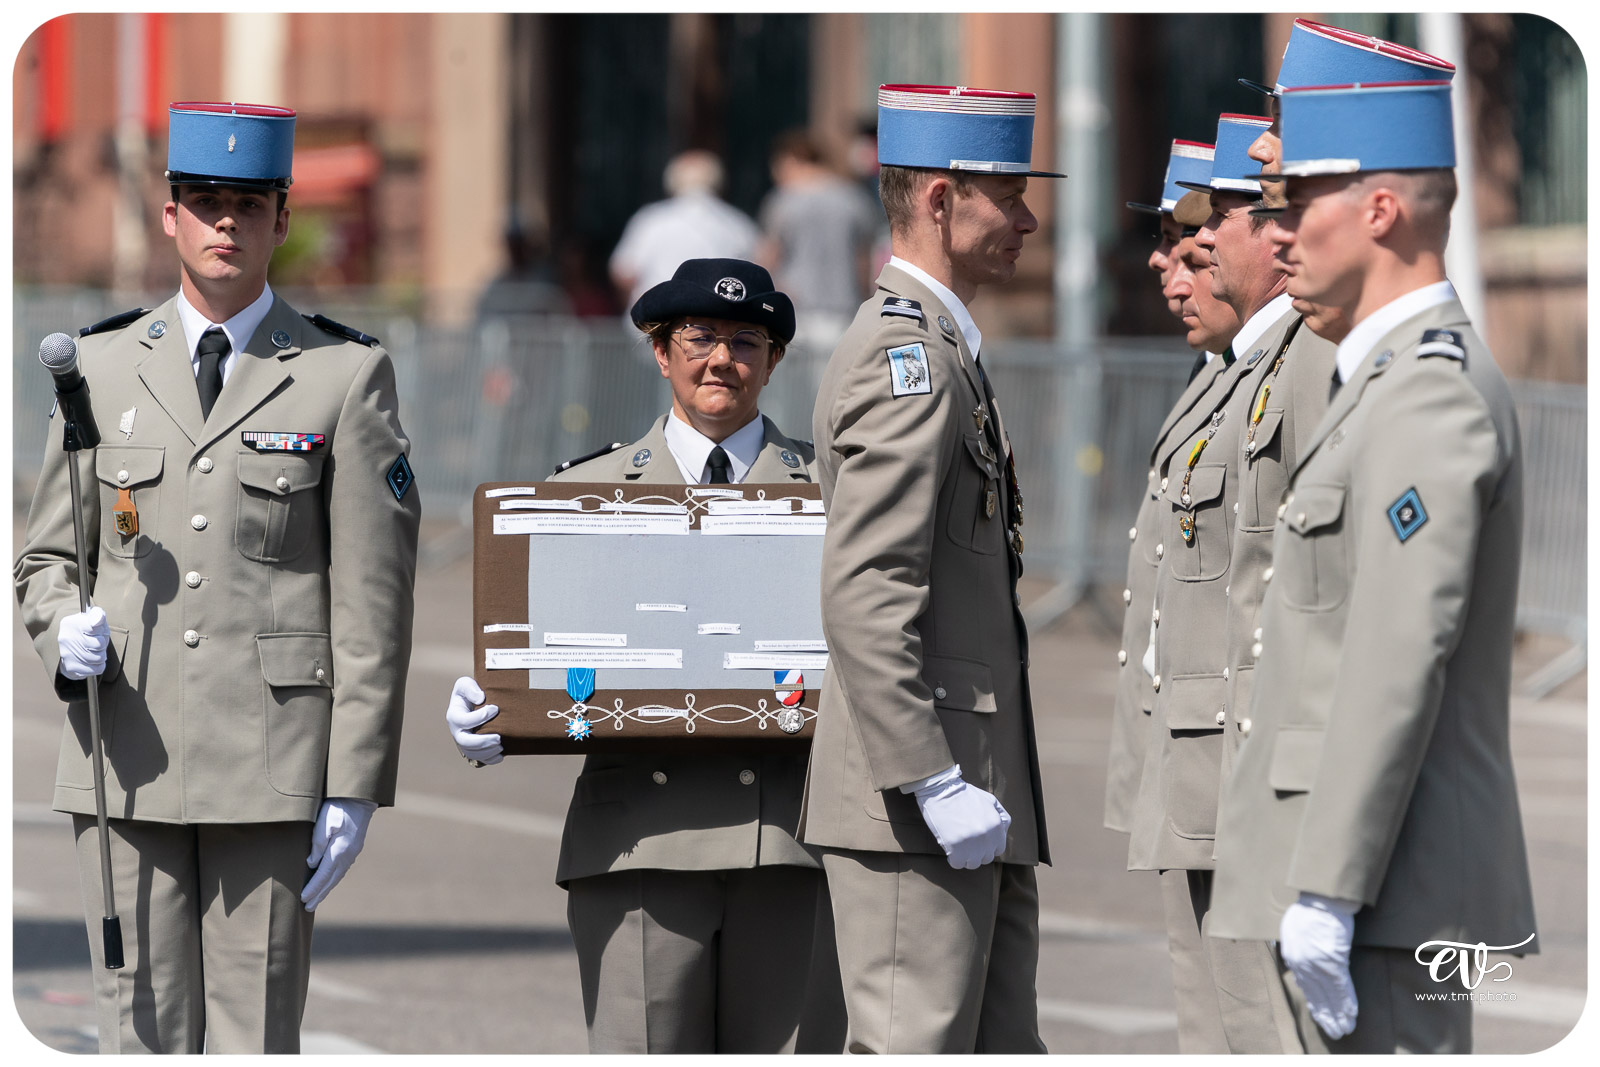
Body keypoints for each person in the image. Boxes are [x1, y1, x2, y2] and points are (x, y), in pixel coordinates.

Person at [13, 101, 420, 1053]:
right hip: (126, 756)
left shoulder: (342, 376)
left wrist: (354, 783)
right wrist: (58, 628)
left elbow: (372, 600)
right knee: (139, 1032)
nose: (224, 222)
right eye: (203, 199)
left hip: (271, 769)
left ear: (282, 216)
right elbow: (45, 556)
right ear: (170, 216)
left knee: (254, 1036)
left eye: (248, 202)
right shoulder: (103, 368)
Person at [1208, 79, 1537, 1054]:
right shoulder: (1383, 382)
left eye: (1298, 204)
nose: (1280, 233)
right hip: (1365, 888)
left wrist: (1328, 888)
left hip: (1382, 896)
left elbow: (1396, 658)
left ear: (1380, 210)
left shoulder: (1424, 395)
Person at [444, 259, 845, 1054]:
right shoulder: (582, 493)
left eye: (745, 339)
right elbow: (544, 661)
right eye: (698, 337)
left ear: (774, 360)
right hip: (639, 843)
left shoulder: (833, 493)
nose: (721, 357)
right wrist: (499, 708)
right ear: (661, 353)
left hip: (794, 842)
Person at [800, 83, 1061, 1054]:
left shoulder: (945, 351)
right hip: (920, 804)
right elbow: (868, 589)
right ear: (942, 201)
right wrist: (930, 776)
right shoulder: (908, 360)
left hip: (967, 795)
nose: (1028, 217)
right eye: (1008, 194)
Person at [1127, 109, 1341, 1054]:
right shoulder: (1232, 373)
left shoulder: (1308, 362)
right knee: (1217, 1029)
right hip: (1203, 772)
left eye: (1221, 218)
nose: (1194, 248)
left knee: (1266, 1032)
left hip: (1253, 777)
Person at [1104, 139, 1224, 839]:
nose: (1162, 267)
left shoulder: (1284, 374)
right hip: (1184, 764)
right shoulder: (1208, 369)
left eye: (1187, 252)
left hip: (1224, 772)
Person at [758, 129, 881, 346]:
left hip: (796, 308)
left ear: (791, 160)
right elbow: (864, 263)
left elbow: (769, 259)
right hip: (845, 308)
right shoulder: (855, 199)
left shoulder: (783, 201)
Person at [609, 150, 761, 310]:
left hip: (656, 319)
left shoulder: (651, 219)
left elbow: (624, 273)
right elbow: (759, 269)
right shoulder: (735, 221)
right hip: (716, 321)